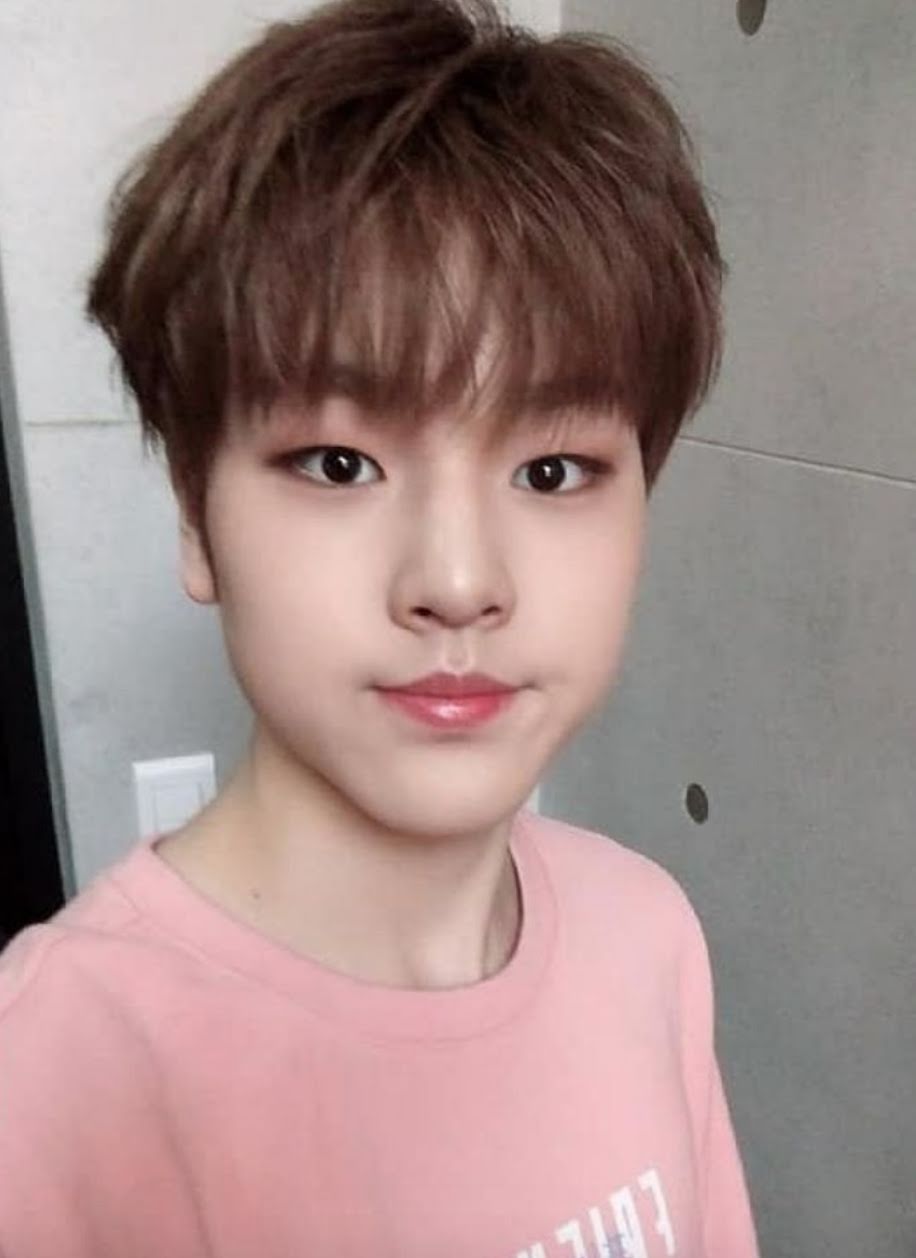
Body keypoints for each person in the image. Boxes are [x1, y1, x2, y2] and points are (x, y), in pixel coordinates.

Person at [0, 1, 760, 1254]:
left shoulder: (647, 933)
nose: (457, 580)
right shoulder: (53, 1078)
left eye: (553, 470)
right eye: (339, 463)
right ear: (194, 512)